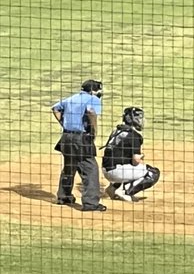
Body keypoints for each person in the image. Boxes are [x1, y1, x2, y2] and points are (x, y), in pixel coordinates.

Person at [51, 78, 106, 212]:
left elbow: (55, 108)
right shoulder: (93, 99)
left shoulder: (72, 98)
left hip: (66, 137)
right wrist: (93, 131)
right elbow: (91, 112)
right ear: (93, 91)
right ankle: (91, 204)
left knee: (70, 166)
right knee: (90, 169)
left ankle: (63, 196)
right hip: (81, 138)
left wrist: (64, 124)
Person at [102, 107, 161, 202]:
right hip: (116, 172)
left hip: (106, 170)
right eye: (139, 118)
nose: (141, 120)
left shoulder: (117, 131)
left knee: (125, 164)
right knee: (153, 173)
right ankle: (125, 191)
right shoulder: (134, 136)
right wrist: (141, 156)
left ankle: (112, 188)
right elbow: (135, 161)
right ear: (133, 119)